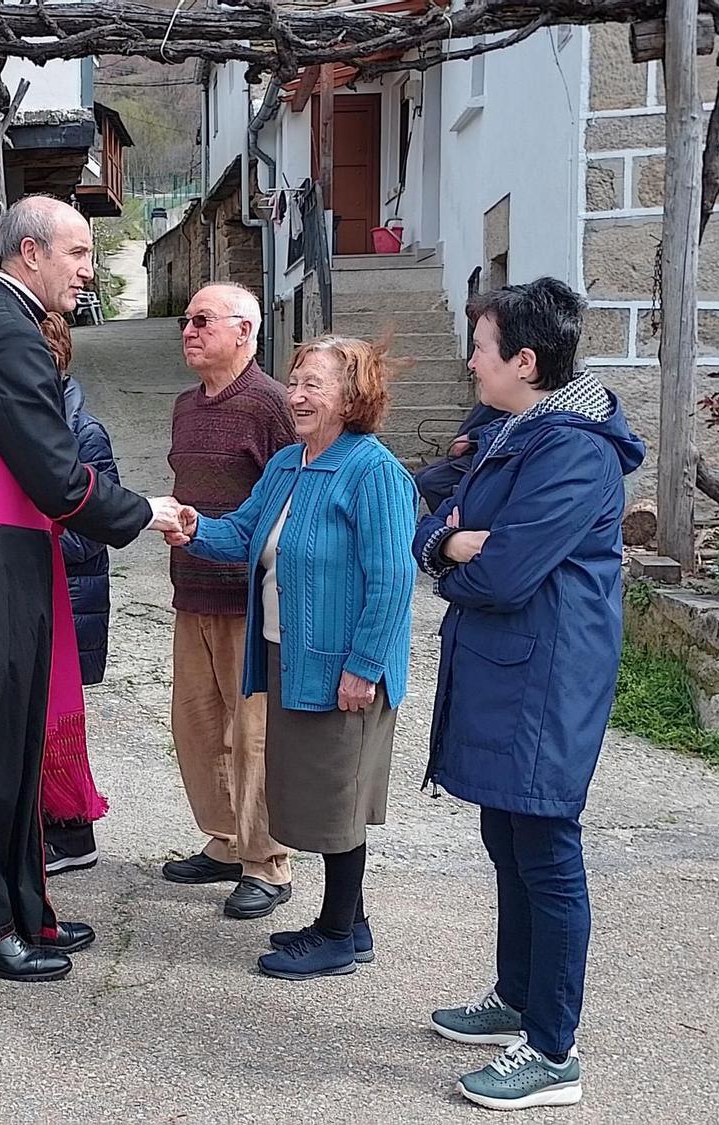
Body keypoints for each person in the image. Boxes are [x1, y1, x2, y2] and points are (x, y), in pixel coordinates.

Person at [0, 196, 184, 983]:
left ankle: (17, 907)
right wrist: (143, 512)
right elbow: (55, 473)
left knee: (2, 743)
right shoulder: (5, 331)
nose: (88, 270)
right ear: (30, 252)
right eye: (79, 253)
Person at [411, 278, 644, 1112]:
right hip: (509, 665)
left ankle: (553, 1049)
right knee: (505, 834)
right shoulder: (510, 426)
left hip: (549, 673)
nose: (469, 359)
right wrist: (450, 541)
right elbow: (431, 496)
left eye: (480, 346)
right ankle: (514, 995)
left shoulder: (574, 451)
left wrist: (455, 552)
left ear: (525, 360)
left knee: (545, 847)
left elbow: (506, 573)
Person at [169, 336, 417, 980]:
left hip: (345, 666)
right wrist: (196, 528)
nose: (298, 396)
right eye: (296, 381)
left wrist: (364, 665)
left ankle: (338, 934)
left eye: (315, 385)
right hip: (290, 655)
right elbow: (245, 535)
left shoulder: (374, 470)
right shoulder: (287, 464)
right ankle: (348, 923)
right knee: (314, 792)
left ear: (353, 398)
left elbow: (392, 577)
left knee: (339, 796)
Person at [162, 282, 299, 921]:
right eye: (187, 321)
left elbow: (290, 495)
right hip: (191, 590)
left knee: (254, 735)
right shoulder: (186, 406)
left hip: (249, 598)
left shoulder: (271, 405)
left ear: (245, 331)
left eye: (202, 321)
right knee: (195, 726)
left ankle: (266, 861)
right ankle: (224, 839)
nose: (188, 331)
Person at [37, 311, 121, 876]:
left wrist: (24, 553)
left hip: (68, 597)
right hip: (31, 592)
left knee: (56, 724)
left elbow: (97, 529)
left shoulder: (85, 434)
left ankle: (72, 834)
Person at [411, 400, 508, 513]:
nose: (480, 381)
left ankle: (452, 520)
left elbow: (509, 426)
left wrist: (472, 437)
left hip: (484, 454)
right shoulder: (494, 394)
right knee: (419, 477)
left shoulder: (511, 395)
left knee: (432, 482)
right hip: (471, 450)